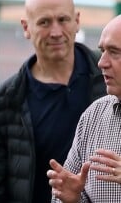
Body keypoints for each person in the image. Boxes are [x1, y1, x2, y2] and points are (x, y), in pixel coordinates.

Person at [0, 0, 107, 203]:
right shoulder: (4, 101)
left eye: (62, 20)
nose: (55, 32)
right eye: (44, 22)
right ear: (26, 27)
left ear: (77, 21)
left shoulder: (109, 77)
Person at [47, 14, 121, 202]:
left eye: (114, 52)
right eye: (102, 51)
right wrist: (72, 199)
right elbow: (64, 194)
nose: (101, 62)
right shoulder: (93, 115)